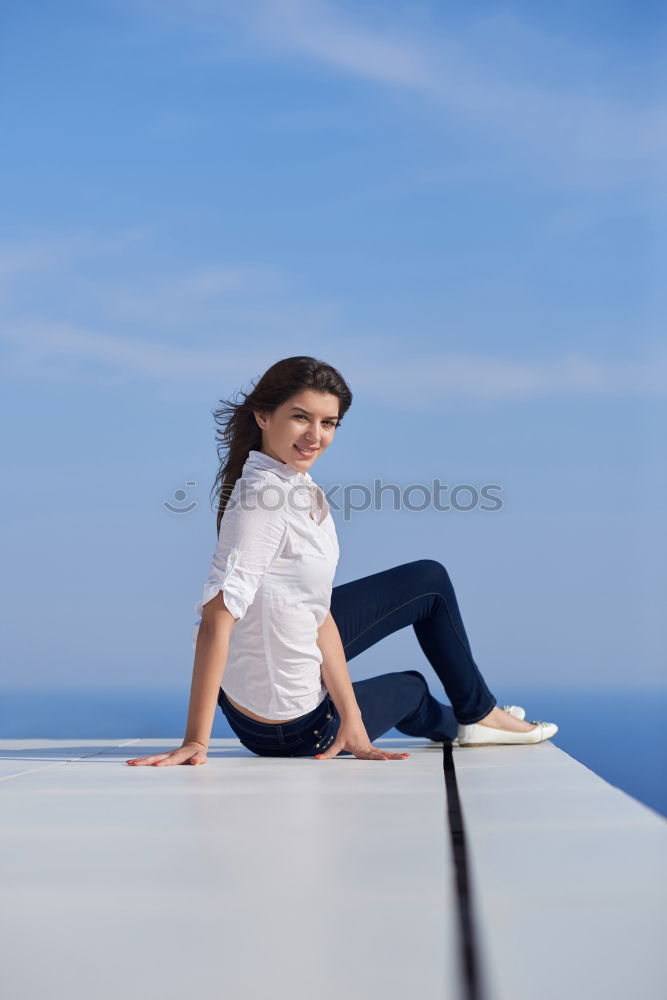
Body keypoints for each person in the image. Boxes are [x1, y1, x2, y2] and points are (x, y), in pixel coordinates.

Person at [127, 356, 557, 767]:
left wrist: (353, 717)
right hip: (294, 731)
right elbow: (217, 616)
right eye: (300, 417)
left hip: (261, 709)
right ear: (263, 416)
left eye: (328, 422)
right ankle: (472, 719)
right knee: (414, 685)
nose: (315, 435)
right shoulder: (263, 499)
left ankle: (476, 714)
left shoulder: (293, 487)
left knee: (426, 581)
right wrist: (196, 741)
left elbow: (318, 614)